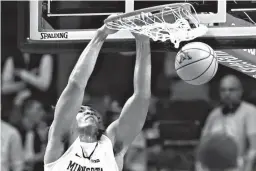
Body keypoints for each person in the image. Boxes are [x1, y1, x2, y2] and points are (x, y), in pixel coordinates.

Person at [44, 23, 151, 171]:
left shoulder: (110, 146)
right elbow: (76, 85)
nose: (90, 112)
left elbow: (141, 97)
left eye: (92, 112)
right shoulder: (61, 143)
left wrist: (143, 42)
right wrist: (101, 34)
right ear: (70, 121)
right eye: (83, 111)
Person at [198, 74, 256, 171]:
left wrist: (247, 168)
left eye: (231, 90)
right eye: (223, 90)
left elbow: (254, 148)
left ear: (240, 91)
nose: (227, 93)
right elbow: (203, 144)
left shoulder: (251, 112)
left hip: (238, 166)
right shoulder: (214, 115)